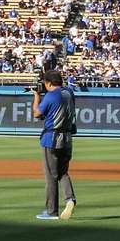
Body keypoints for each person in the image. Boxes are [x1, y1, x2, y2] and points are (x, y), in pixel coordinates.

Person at [32, 70, 77, 221]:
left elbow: (37, 114)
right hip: (67, 138)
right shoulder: (69, 92)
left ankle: (51, 211)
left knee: (51, 176)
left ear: (49, 83)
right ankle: (70, 198)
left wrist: (37, 97)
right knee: (63, 172)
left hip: (51, 138)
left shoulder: (51, 95)